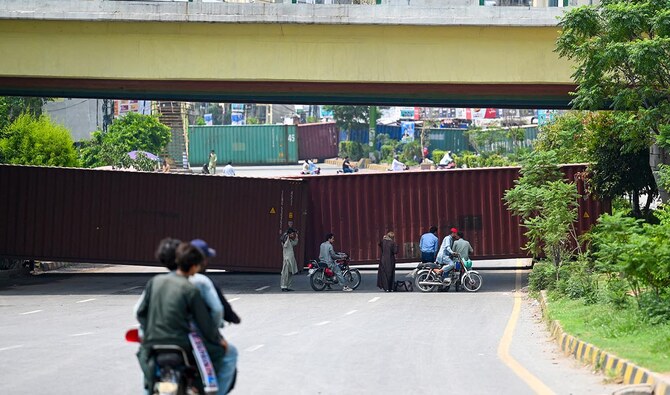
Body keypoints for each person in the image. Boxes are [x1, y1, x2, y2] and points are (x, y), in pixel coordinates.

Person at [135, 243, 235, 395]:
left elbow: (140, 313)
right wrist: (219, 340)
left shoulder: (155, 281)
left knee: (147, 367)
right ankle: (200, 388)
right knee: (221, 354)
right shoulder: (191, 289)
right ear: (194, 266)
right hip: (180, 342)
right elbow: (205, 324)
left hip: (153, 342)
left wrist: (150, 330)